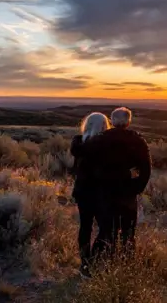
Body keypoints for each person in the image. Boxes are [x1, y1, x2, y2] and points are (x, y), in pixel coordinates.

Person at [88, 107, 152, 260]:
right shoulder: (137, 140)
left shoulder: (100, 139)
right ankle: (126, 261)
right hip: (128, 191)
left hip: (105, 191)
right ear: (128, 121)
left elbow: (90, 165)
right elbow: (146, 168)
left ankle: (100, 261)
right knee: (128, 230)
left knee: (106, 228)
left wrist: (96, 185)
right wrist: (137, 187)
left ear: (112, 120)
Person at [70, 111, 111, 278]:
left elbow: (75, 169)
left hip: (82, 192)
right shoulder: (105, 144)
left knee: (85, 227)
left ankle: (85, 263)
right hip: (100, 193)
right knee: (106, 228)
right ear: (103, 126)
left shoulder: (78, 143)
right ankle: (93, 261)